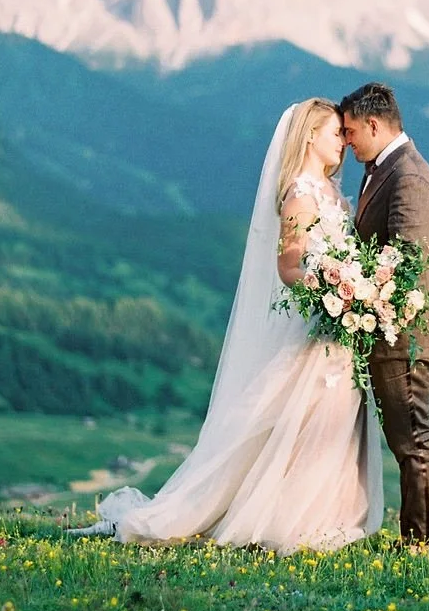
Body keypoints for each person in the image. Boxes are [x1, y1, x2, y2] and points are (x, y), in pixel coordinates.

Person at [70, 98, 384, 554]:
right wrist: (333, 288)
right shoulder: (300, 193)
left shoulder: (334, 193)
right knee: (286, 425)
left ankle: (325, 518)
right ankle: (258, 518)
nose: (344, 139)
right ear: (310, 136)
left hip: (341, 331)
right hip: (322, 322)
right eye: (335, 131)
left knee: (328, 427)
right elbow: (289, 263)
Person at [340, 82, 429, 546]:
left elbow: (404, 264)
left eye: (349, 131)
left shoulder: (409, 177)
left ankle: (424, 545)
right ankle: (417, 539)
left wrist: (351, 291)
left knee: (415, 442)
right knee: (404, 440)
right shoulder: (383, 168)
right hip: (386, 333)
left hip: (402, 334)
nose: (346, 141)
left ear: (374, 124)